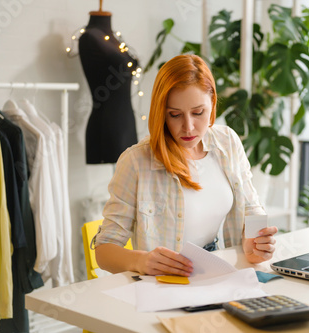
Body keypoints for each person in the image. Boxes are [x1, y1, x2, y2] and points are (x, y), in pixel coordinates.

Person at [94, 54, 278, 277]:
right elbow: (104, 251)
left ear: (212, 102)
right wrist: (141, 261)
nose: (188, 127)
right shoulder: (136, 162)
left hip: (215, 270)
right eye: (174, 115)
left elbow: (251, 206)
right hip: (163, 283)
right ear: (161, 113)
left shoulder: (227, 142)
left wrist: (254, 242)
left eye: (198, 112)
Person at [78, 7, 139, 164]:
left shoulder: (115, 38)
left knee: (128, 177)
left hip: (127, 120)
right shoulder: (89, 38)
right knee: (116, 179)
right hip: (107, 121)